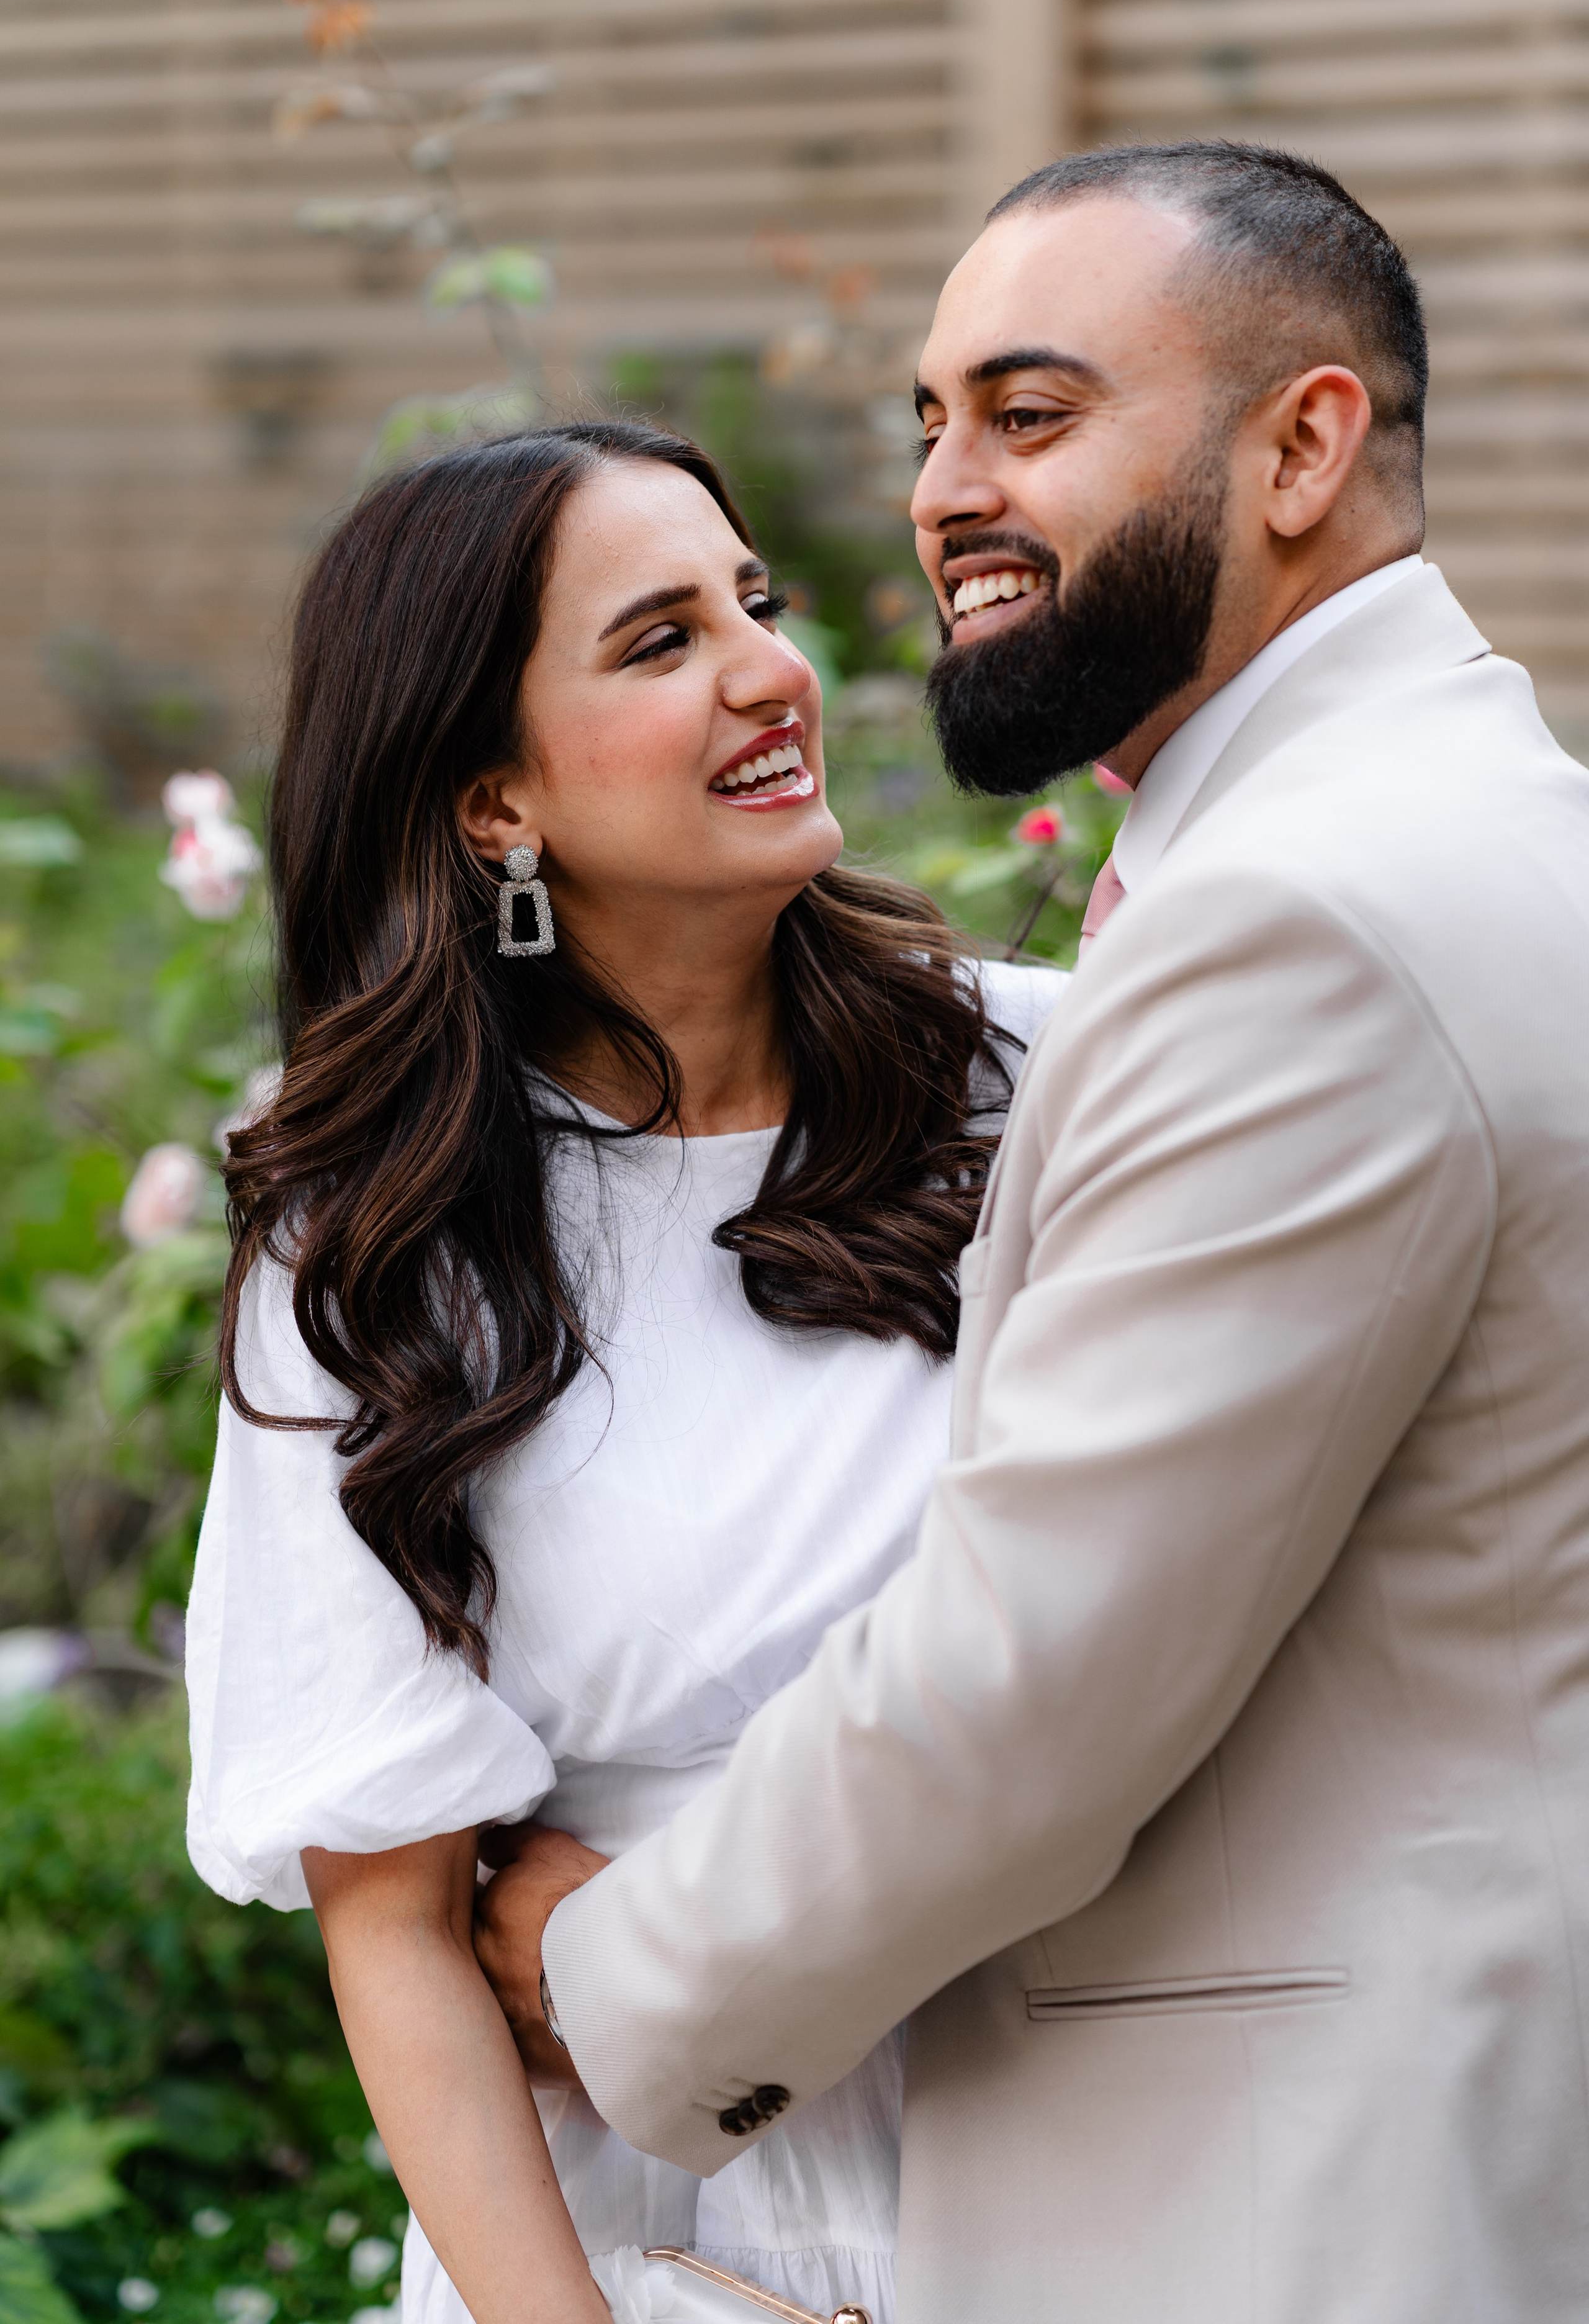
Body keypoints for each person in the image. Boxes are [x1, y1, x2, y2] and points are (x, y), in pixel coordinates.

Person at [478, 145, 1589, 2321]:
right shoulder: (1481, 822)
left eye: (1033, 411)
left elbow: (1037, 1681)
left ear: (1304, 445)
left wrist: (616, 1983)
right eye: (925, 421)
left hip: (1278, 2203)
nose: (940, 490)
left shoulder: (1301, 919)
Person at [182, 419, 1063, 2324]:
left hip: (1072, 2129)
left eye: (753, 600)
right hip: (624, 2221)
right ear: (492, 800)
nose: (772, 669)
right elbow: (399, 1927)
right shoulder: (376, 1236)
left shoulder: (1046, 1079)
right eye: (660, 642)